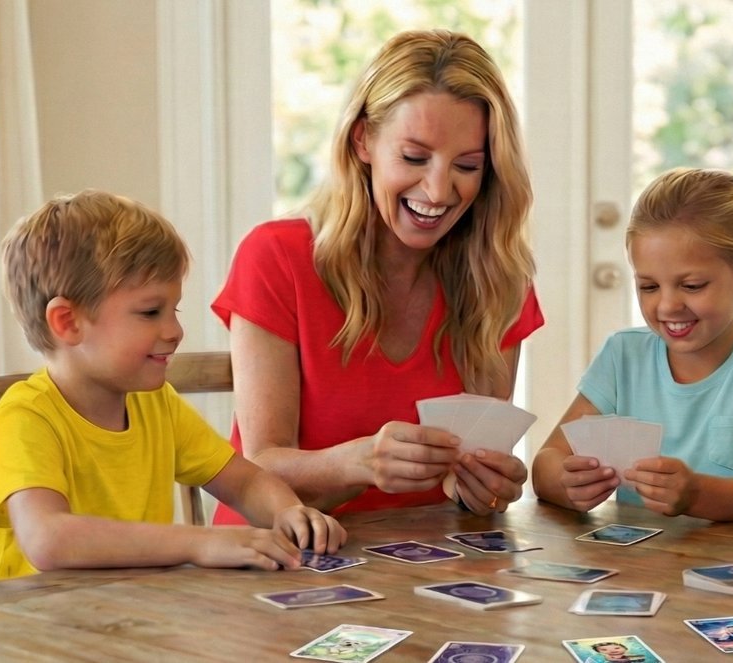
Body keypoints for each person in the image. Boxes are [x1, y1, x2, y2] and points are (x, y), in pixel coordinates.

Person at [212, 29, 543, 524]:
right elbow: (259, 464)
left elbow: (472, 484)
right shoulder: (277, 257)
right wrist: (357, 463)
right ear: (362, 139)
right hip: (278, 556)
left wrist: (486, 488)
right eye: (414, 158)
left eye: (467, 165)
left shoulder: (498, 279)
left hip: (424, 564)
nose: (438, 189)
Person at [0, 191, 347, 584]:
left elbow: (246, 481)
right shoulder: (26, 417)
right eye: (150, 312)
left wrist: (288, 512)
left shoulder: (156, 404)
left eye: (174, 310)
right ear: (68, 322)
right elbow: (48, 539)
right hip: (24, 631)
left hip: (122, 616)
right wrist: (198, 542)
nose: (174, 331)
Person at [533, 168, 733, 521]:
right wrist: (567, 482)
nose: (667, 306)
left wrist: (696, 494)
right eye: (649, 287)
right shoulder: (624, 355)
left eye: (693, 285)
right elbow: (547, 461)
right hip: (638, 566)